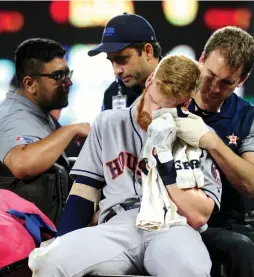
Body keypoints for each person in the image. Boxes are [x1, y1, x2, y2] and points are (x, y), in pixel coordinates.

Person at [28, 54, 222, 277]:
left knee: (190, 271)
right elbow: (83, 194)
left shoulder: (198, 136)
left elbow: (199, 215)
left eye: (163, 109)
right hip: (118, 226)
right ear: (150, 81)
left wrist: (165, 158)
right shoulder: (109, 123)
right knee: (48, 261)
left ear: (185, 103)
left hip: (173, 226)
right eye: (153, 101)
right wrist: (62, 240)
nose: (152, 112)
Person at [174, 26, 254, 277]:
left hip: (225, 222)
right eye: (210, 75)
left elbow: (251, 185)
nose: (214, 88)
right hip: (172, 218)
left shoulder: (246, 118)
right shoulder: (170, 96)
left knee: (242, 246)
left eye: (227, 83)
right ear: (200, 60)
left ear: (242, 81)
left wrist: (213, 142)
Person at [0, 38, 90, 179]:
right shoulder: (13, 116)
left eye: (67, 74)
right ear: (30, 84)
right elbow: (22, 164)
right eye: (58, 76)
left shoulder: (37, 111)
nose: (68, 82)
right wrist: (71, 130)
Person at [88, 12, 161, 110]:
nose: (116, 71)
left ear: (148, 52)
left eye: (122, 59)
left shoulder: (184, 86)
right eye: (111, 61)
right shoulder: (112, 93)